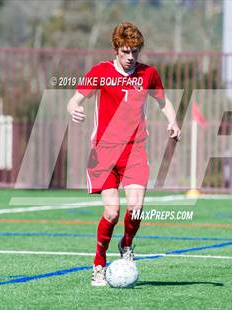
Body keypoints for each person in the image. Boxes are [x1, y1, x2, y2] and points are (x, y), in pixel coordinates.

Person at [67, 21, 181, 286]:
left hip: (135, 152)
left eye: (135, 52)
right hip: (104, 154)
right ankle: (98, 264)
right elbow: (75, 99)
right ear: (116, 50)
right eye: (126, 52)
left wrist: (173, 121)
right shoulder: (100, 72)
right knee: (112, 213)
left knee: (137, 208)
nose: (131, 58)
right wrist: (72, 109)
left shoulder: (148, 74)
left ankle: (127, 244)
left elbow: (164, 102)